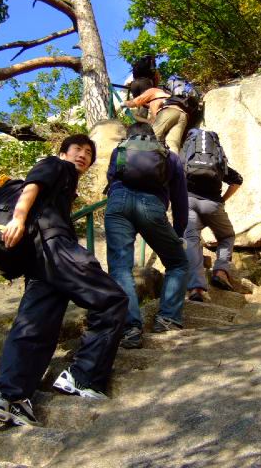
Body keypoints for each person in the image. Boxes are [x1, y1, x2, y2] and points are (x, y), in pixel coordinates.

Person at [0, 134, 129, 426]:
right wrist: (18, 219)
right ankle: (82, 376)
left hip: (39, 260)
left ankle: (10, 398)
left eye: (89, 153)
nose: (83, 155)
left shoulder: (66, 184)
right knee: (112, 299)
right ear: (63, 153)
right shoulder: (56, 165)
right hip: (55, 245)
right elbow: (32, 186)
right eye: (77, 149)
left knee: (37, 324)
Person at [104, 122, 189, 349]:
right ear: (154, 137)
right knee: (178, 263)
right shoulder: (169, 157)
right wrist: (178, 233)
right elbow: (180, 199)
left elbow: (112, 179)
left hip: (117, 204)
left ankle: (130, 329)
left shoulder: (119, 151)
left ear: (129, 137)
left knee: (120, 268)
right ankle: (167, 319)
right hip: (151, 206)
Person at [183, 133, 243, 301]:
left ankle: (196, 288)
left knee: (191, 241)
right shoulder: (217, 162)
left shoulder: (185, 159)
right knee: (226, 236)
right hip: (212, 204)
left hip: (188, 203)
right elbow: (237, 180)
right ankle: (221, 272)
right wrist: (222, 199)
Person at [121, 85, 188, 153]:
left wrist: (123, 103)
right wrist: (133, 115)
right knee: (172, 144)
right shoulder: (167, 97)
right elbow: (151, 122)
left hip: (169, 111)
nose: (146, 106)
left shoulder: (153, 91)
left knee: (152, 138)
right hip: (183, 115)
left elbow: (133, 103)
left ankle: (145, 158)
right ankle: (173, 159)